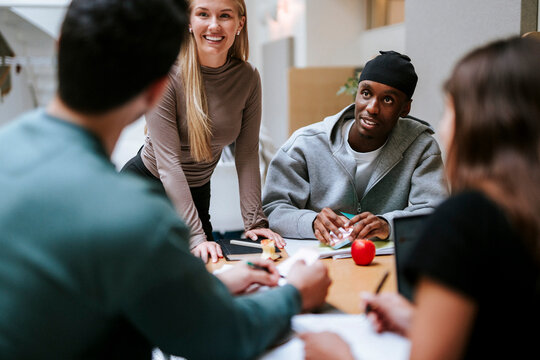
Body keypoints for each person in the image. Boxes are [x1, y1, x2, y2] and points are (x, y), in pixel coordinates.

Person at [0, 1, 332, 359]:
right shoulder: (136, 218)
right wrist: (295, 293)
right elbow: (219, 336)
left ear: (60, 45)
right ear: (158, 89)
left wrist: (207, 285)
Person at [299, 37, 540, 360]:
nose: (441, 127)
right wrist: (418, 320)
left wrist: (340, 355)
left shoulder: (466, 221)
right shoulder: (523, 214)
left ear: (478, 123)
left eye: (450, 109)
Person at [121, 0, 283, 263]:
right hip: (143, 191)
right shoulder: (165, 75)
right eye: (203, 14)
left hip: (196, 193)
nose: (214, 25)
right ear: (189, 21)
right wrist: (196, 236)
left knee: (209, 273)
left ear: (240, 23)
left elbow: (247, 154)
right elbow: (169, 165)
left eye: (225, 15)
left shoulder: (248, 78)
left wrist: (255, 223)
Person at [262, 51, 448, 244]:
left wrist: (387, 225)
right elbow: (273, 209)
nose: (372, 108)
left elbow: (435, 214)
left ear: (405, 108)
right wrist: (312, 221)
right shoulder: (305, 144)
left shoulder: (421, 147)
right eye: (366, 94)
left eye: (387, 100)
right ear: (357, 94)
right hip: (316, 262)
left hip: (381, 261)